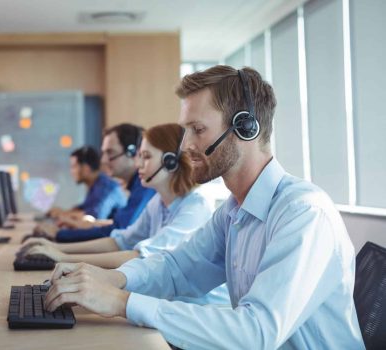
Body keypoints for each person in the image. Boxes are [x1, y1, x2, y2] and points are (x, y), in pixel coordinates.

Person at [40, 65, 364, 349]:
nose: (184, 147)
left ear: (245, 128)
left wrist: (121, 302)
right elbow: (177, 269)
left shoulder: (303, 214)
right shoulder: (234, 212)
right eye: (186, 131)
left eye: (197, 130)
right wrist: (110, 279)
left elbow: (256, 333)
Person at [20, 123, 213, 270]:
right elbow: (119, 240)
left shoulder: (194, 208)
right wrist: (55, 248)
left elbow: (140, 256)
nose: (139, 164)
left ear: (170, 162)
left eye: (146, 157)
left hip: (195, 311)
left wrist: (62, 256)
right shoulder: (158, 203)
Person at [27, 123, 156, 243]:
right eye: (103, 153)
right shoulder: (135, 187)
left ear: (133, 153)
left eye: (110, 153)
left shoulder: (141, 186)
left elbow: (116, 230)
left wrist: (59, 235)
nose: (104, 160)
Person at [47, 146, 127, 222]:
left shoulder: (105, 187)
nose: (71, 172)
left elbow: (93, 217)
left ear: (86, 168)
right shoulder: (95, 185)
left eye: (74, 166)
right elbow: (84, 208)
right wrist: (62, 212)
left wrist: (63, 214)